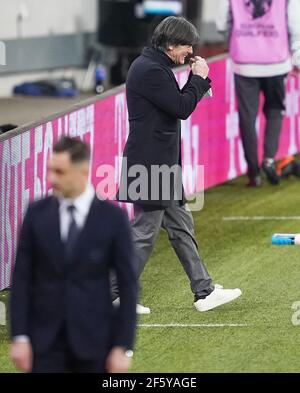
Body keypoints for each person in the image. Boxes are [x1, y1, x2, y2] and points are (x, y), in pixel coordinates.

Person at [116, 16, 242, 313]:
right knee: (145, 233)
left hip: (159, 164)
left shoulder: (153, 65)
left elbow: (178, 101)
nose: (190, 51)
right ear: (172, 44)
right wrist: (198, 77)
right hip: (151, 165)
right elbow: (181, 107)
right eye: (187, 46)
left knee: (181, 227)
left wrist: (198, 81)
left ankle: (204, 290)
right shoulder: (150, 70)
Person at [10, 136, 138, 373]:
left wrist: (123, 345)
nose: (51, 179)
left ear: (82, 172)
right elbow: (21, 279)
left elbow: (128, 285)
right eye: (50, 170)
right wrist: (19, 336)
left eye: (60, 172)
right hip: (45, 345)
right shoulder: (36, 213)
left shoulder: (113, 218)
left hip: (95, 344)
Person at [216, 0, 300, 187]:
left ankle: (254, 173)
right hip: (276, 60)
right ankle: (269, 159)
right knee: (275, 111)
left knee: (247, 117)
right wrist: (297, 56)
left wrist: (234, 37)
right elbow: (295, 22)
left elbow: (221, 22)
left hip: (244, 61)